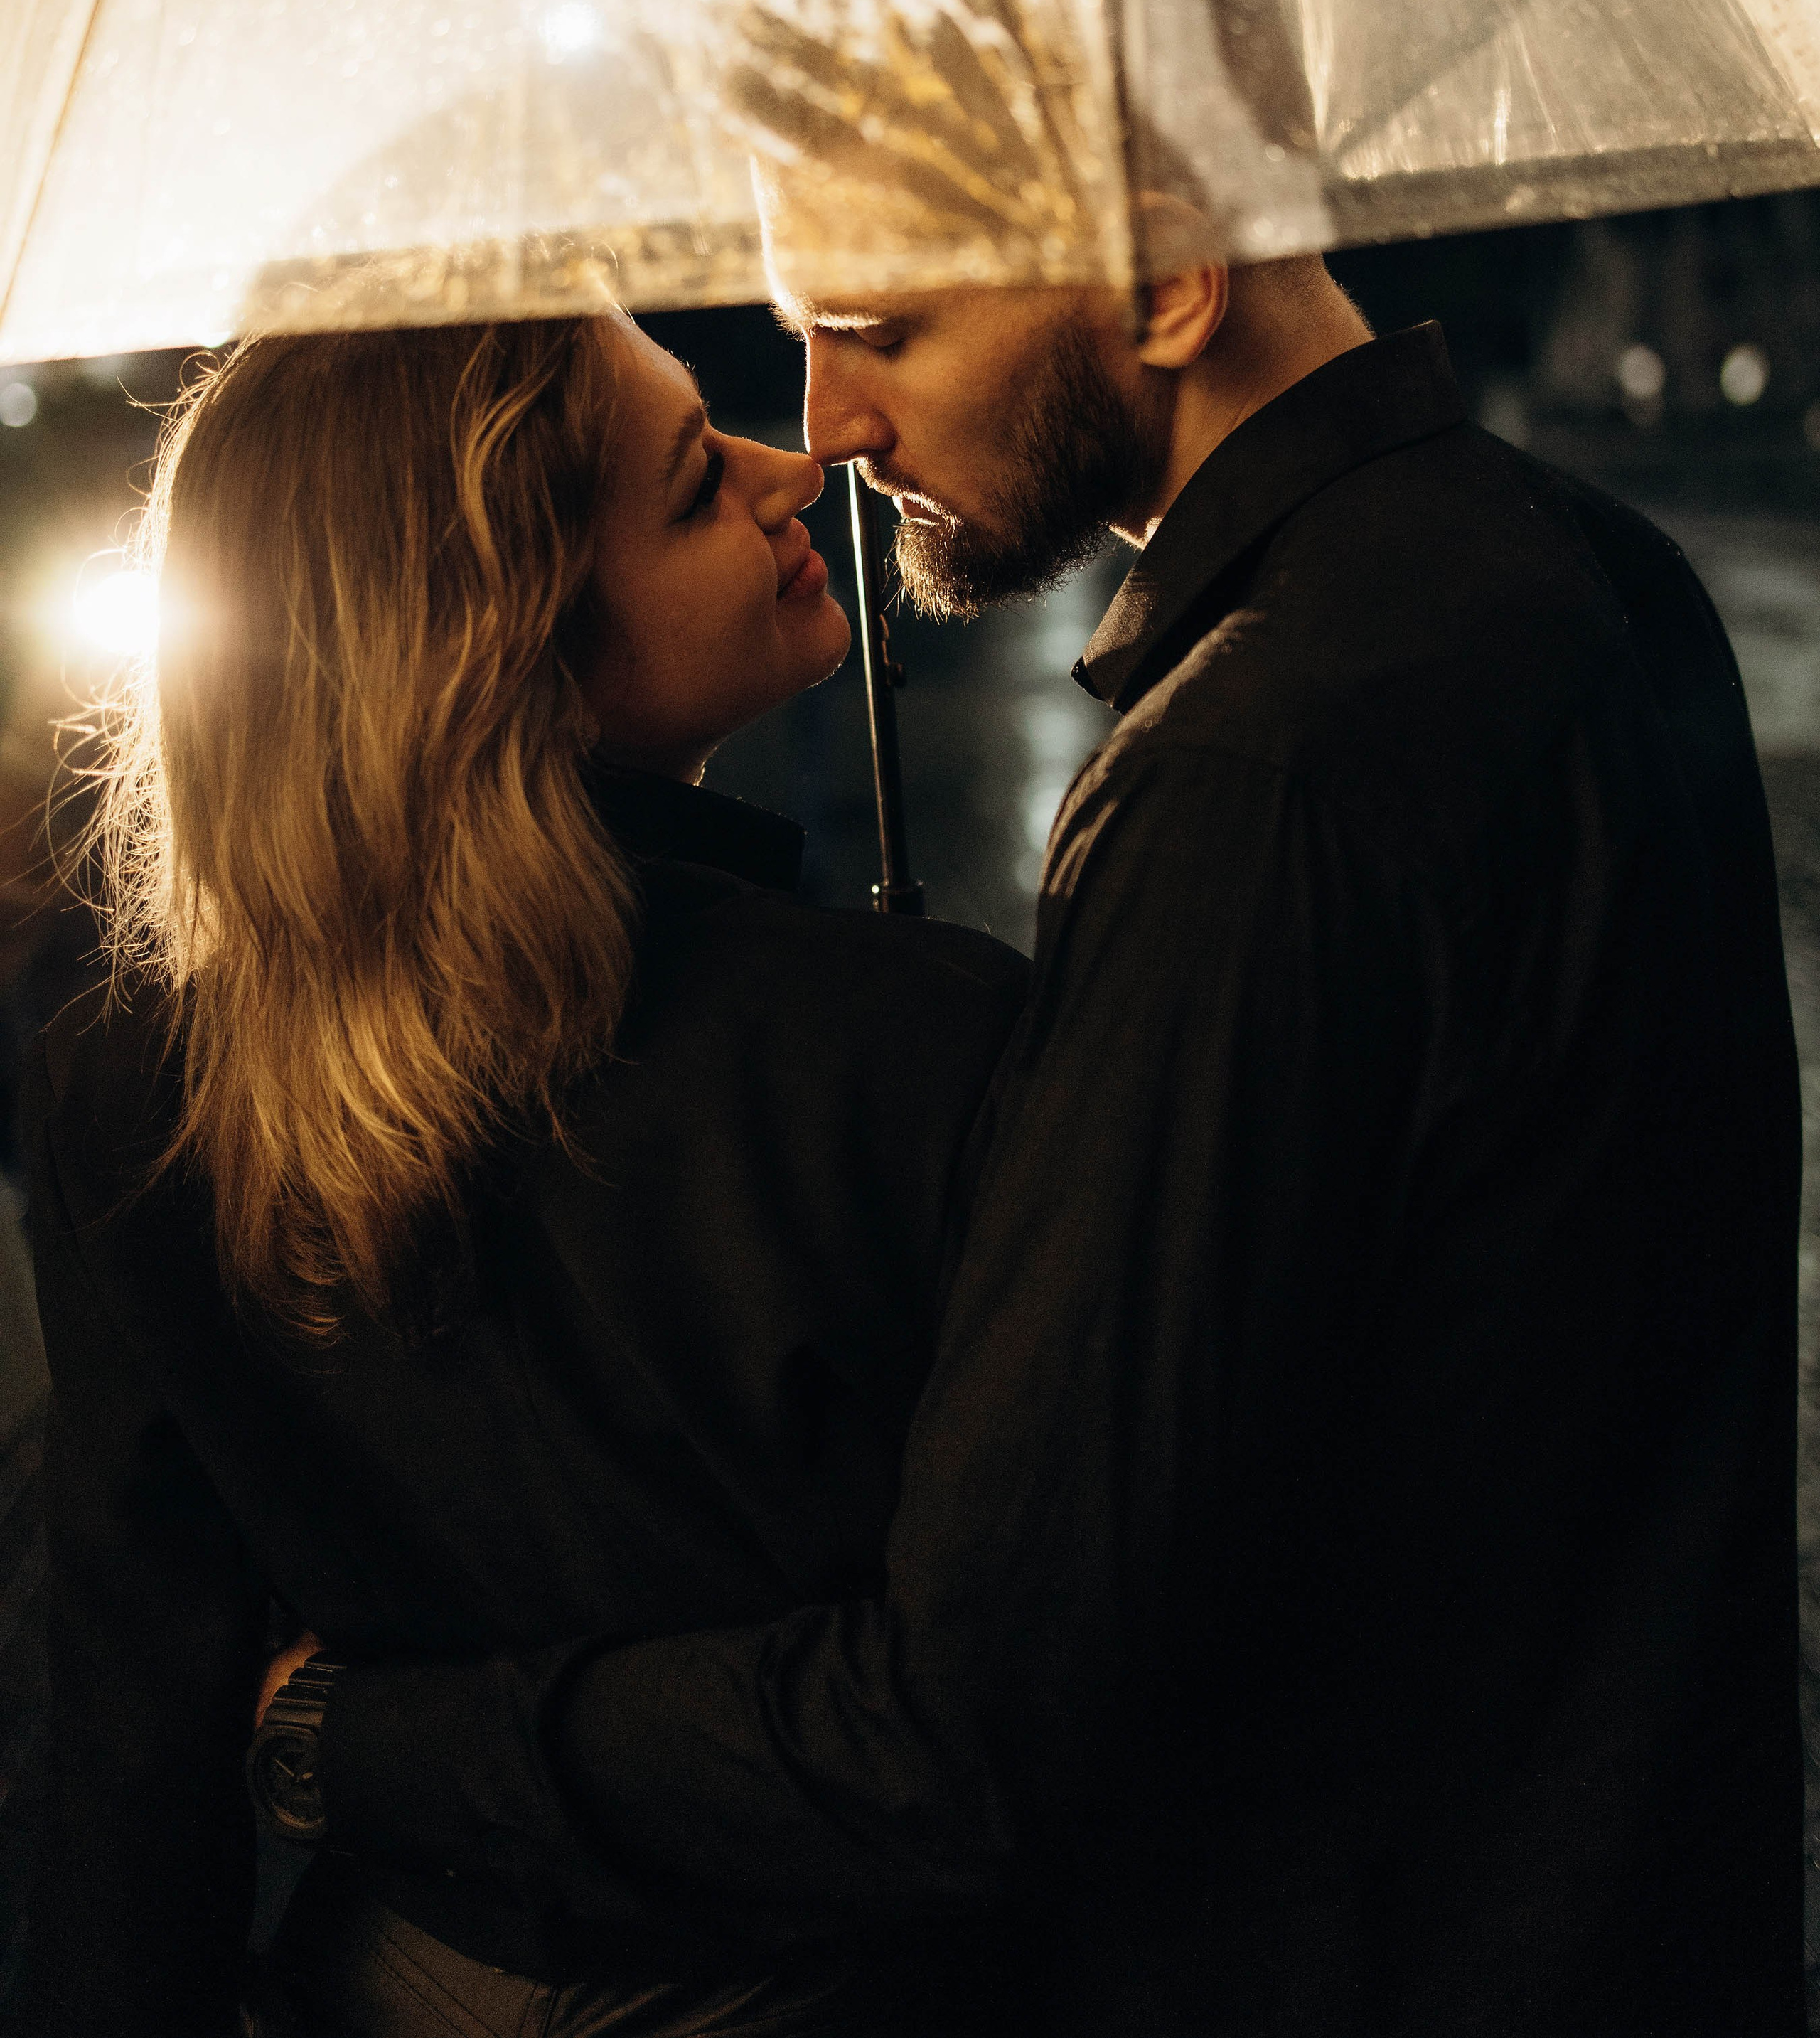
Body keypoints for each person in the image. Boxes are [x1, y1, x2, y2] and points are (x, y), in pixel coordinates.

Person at [272, 250, 1803, 2035]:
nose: (829, 424)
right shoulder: (1590, 565)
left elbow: (977, 1717)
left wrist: (358, 1739)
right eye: (800, 339)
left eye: (882, 326)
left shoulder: (1255, 765)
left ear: (1160, 279)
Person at [21, 313, 1029, 2038]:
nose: (803, 471)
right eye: (699, 487)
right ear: (513, 645)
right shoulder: (906, 1046)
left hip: (397, 1979)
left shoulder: (138, 1081)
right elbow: (994, 1702)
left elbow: (126, 1708)